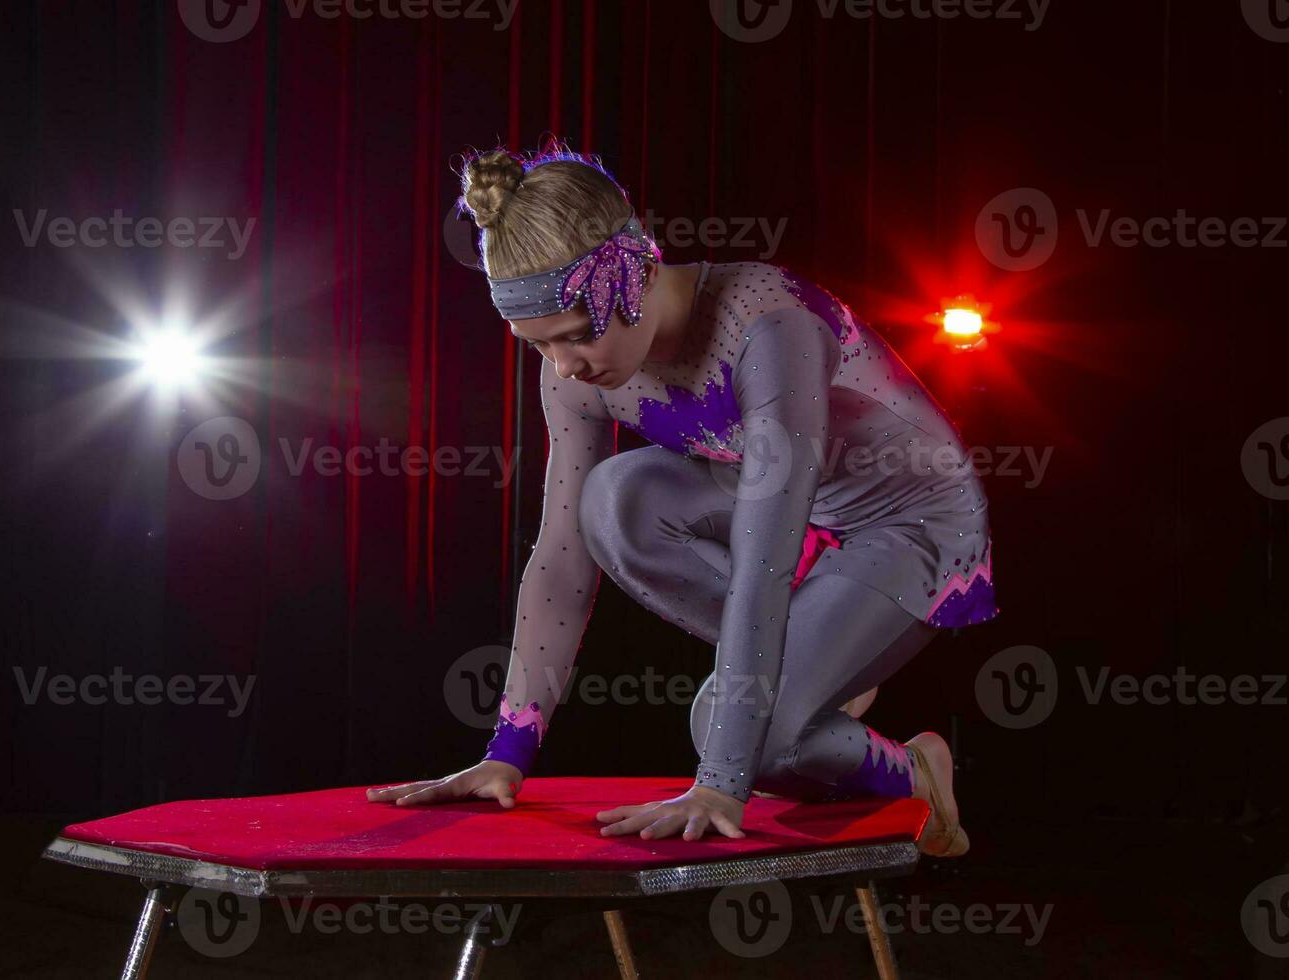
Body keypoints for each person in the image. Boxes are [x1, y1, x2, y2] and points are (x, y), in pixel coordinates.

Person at [367, 141, 997, 855]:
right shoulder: (574, 373)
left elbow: (764, 556)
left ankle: (915, 771)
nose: (566, 367)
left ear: (634, 273)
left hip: (910, 522)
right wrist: (508, 751)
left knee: (745, 736)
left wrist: (721, 779)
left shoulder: (768, 324)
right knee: (610, 500)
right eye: (537, 347)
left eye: (575, 337)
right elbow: (562, 555)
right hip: (801, 513)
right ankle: (815, 667)